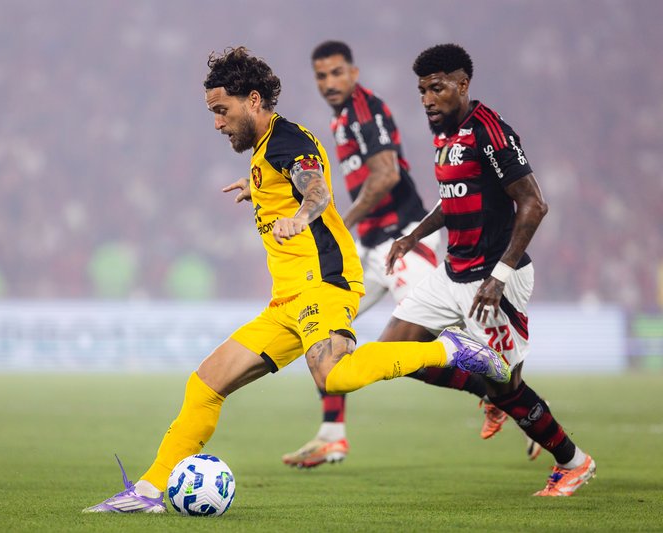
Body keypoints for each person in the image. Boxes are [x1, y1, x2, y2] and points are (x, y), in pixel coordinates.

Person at [83, 46, 510, 513]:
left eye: (221, 111)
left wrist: (303, 215)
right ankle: (148, 493)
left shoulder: (286, 140)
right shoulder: (267, 152)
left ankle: (452, 350)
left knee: (335, 377)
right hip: (287, 299)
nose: (217, 123)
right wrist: (260, 188)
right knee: (205, 383)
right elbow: (292, 180)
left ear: (252, 100)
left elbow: (316, 186)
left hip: (324, 284)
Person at [282, 40, 536, 469]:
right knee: (329, 328)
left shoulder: (366, 111)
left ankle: (521, 409)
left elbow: (385, 174)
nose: (329, 83)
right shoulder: (343, 116)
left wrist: (338, 221)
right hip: (372, 247)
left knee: (431, 348)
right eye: (321, 76)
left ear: (354, 73)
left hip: (400, 242)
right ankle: (332, 435)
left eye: (337, 73)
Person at [381, 43, 594, 497]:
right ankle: (488, 391)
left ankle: (574, 462)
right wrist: (413, 236)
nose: (427, 100)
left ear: (462, 85)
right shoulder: (443, 132)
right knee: (393, 352)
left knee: (509, 390)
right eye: (421, 91)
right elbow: (454, 197)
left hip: (495, 280)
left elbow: (534, 204)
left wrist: (499, 275)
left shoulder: (490, 132)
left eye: (436, 89)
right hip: (452, 272)